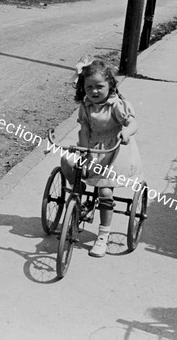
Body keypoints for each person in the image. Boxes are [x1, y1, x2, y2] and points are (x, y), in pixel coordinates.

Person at [61, 57, 143, 258]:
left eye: (99, 86)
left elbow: (132, 123)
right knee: (68, 162)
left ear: (110, 85)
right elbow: (85, 129)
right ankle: (79, 202)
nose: (94, 91)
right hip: (93, 149)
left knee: (105, 190)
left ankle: (103, 235)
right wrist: (83, 148)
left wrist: (126, 133)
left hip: (114, 151)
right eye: (89, 87)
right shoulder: (86, 106)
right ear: (83, 88)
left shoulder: (116, 105)